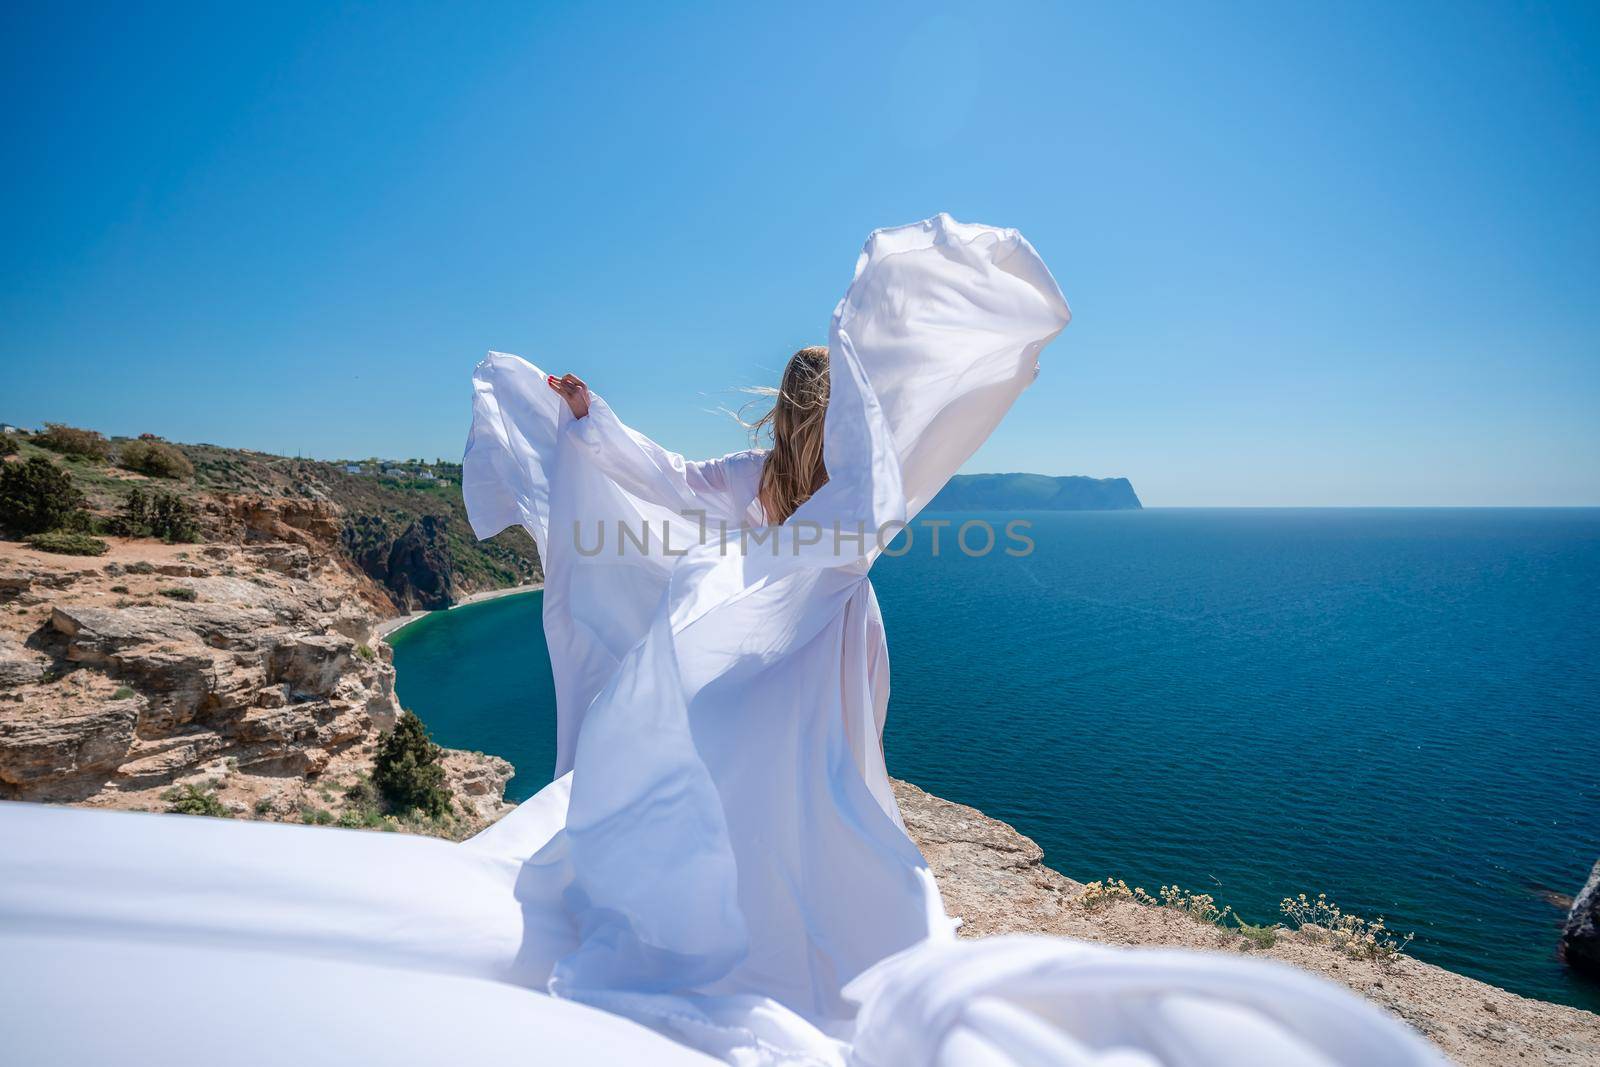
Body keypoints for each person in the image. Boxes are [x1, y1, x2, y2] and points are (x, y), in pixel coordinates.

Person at [0, 215, 1444, 1066]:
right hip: (814, 647)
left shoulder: (760, 483)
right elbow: (775, 472)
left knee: (743, 791)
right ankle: (808, 941)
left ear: (785, 415)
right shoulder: (853, 504)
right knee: (828, 800)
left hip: (743, 647)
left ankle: (751, 926)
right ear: (846, 414)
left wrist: (584, 423)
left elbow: (643, 475)